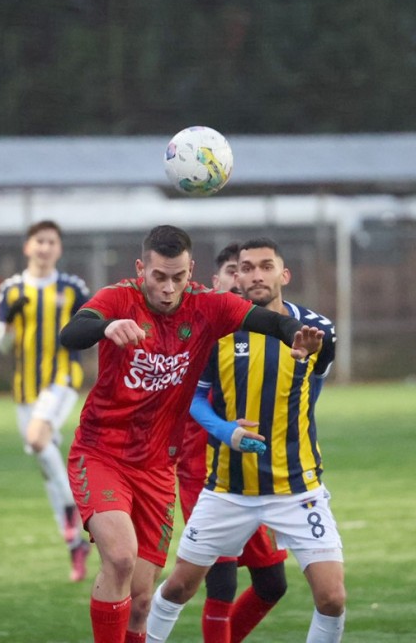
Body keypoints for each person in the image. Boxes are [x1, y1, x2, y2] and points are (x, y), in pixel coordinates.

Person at [59, 225, 325, 643]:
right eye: (159, 277)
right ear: (140, 268)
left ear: (191, 271)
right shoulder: (118, 298)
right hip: (101, 453)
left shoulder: (208, 305)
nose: (168, 288)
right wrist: (106, 327)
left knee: (143, 599)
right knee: (122, 559)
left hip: (158, 467)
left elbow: (268, 320)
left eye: (178, 278)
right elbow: (71, 333)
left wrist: (295, 334)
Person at [146, 238, 345, 643]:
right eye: (246, 267)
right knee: (179, 587)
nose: (255, 275)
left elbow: (313, 391)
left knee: (332, 598)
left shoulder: (316, 329)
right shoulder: (217, 331)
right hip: (227, 491)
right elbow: (197, 399)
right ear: (235, 274)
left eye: (266, 266)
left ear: (283, 274)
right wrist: (226, 432)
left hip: (296, 487)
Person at [175, 243, 289, 642]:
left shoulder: (261, 329)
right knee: (220, 583)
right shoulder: (202, 329)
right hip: (205, 472)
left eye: (246, 271)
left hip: (255, 476)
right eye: (231, 270)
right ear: (216, 281)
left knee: (273, 583)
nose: (241, 279)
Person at [0, 219, 91, 581]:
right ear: (27, 247)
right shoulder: (11, 289)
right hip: (25, 390)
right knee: (46, 465)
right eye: (39, 241)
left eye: (51, 242)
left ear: (59, 249)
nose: (45, 247)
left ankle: (80, 511)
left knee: (37, 440)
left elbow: (92, 327)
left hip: (62, 380)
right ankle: (74, 545)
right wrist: (11, 325)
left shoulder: (73, 287)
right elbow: (1, 343)